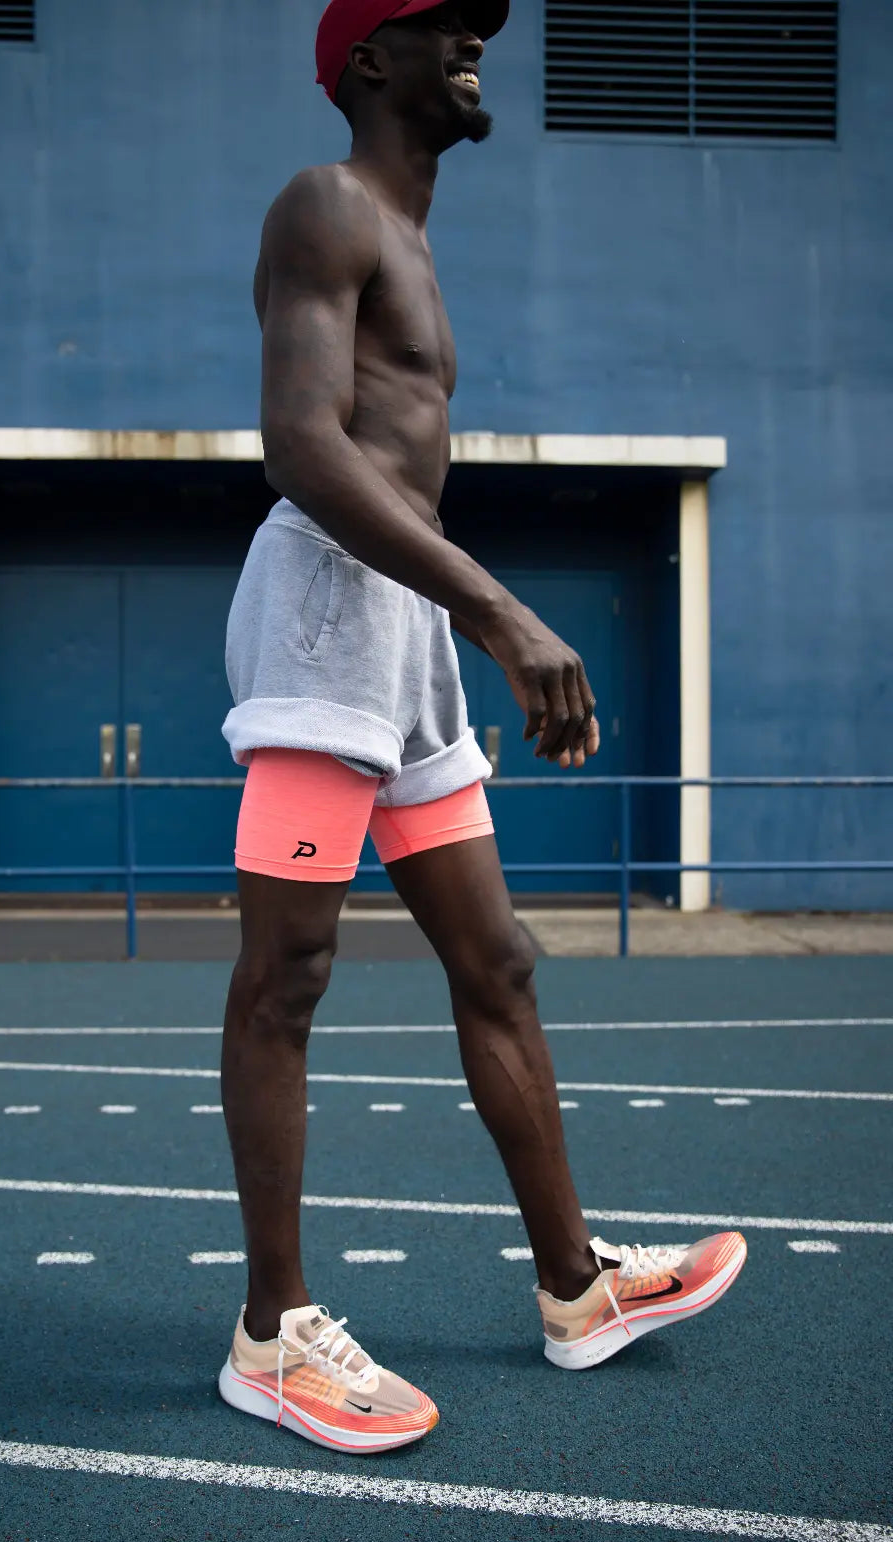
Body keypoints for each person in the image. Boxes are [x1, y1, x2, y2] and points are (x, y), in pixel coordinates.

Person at [215, 0, 746, 1455]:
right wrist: (511, 616)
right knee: (292, 970)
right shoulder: (325, 206)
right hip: (330, 605)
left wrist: (462, 627)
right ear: (367, 62)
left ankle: (578, 1289)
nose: (475, 50)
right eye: (445, 28)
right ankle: (271, 1335)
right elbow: (306, 443)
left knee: (497, 960)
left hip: (405, 630)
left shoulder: (410, 236)